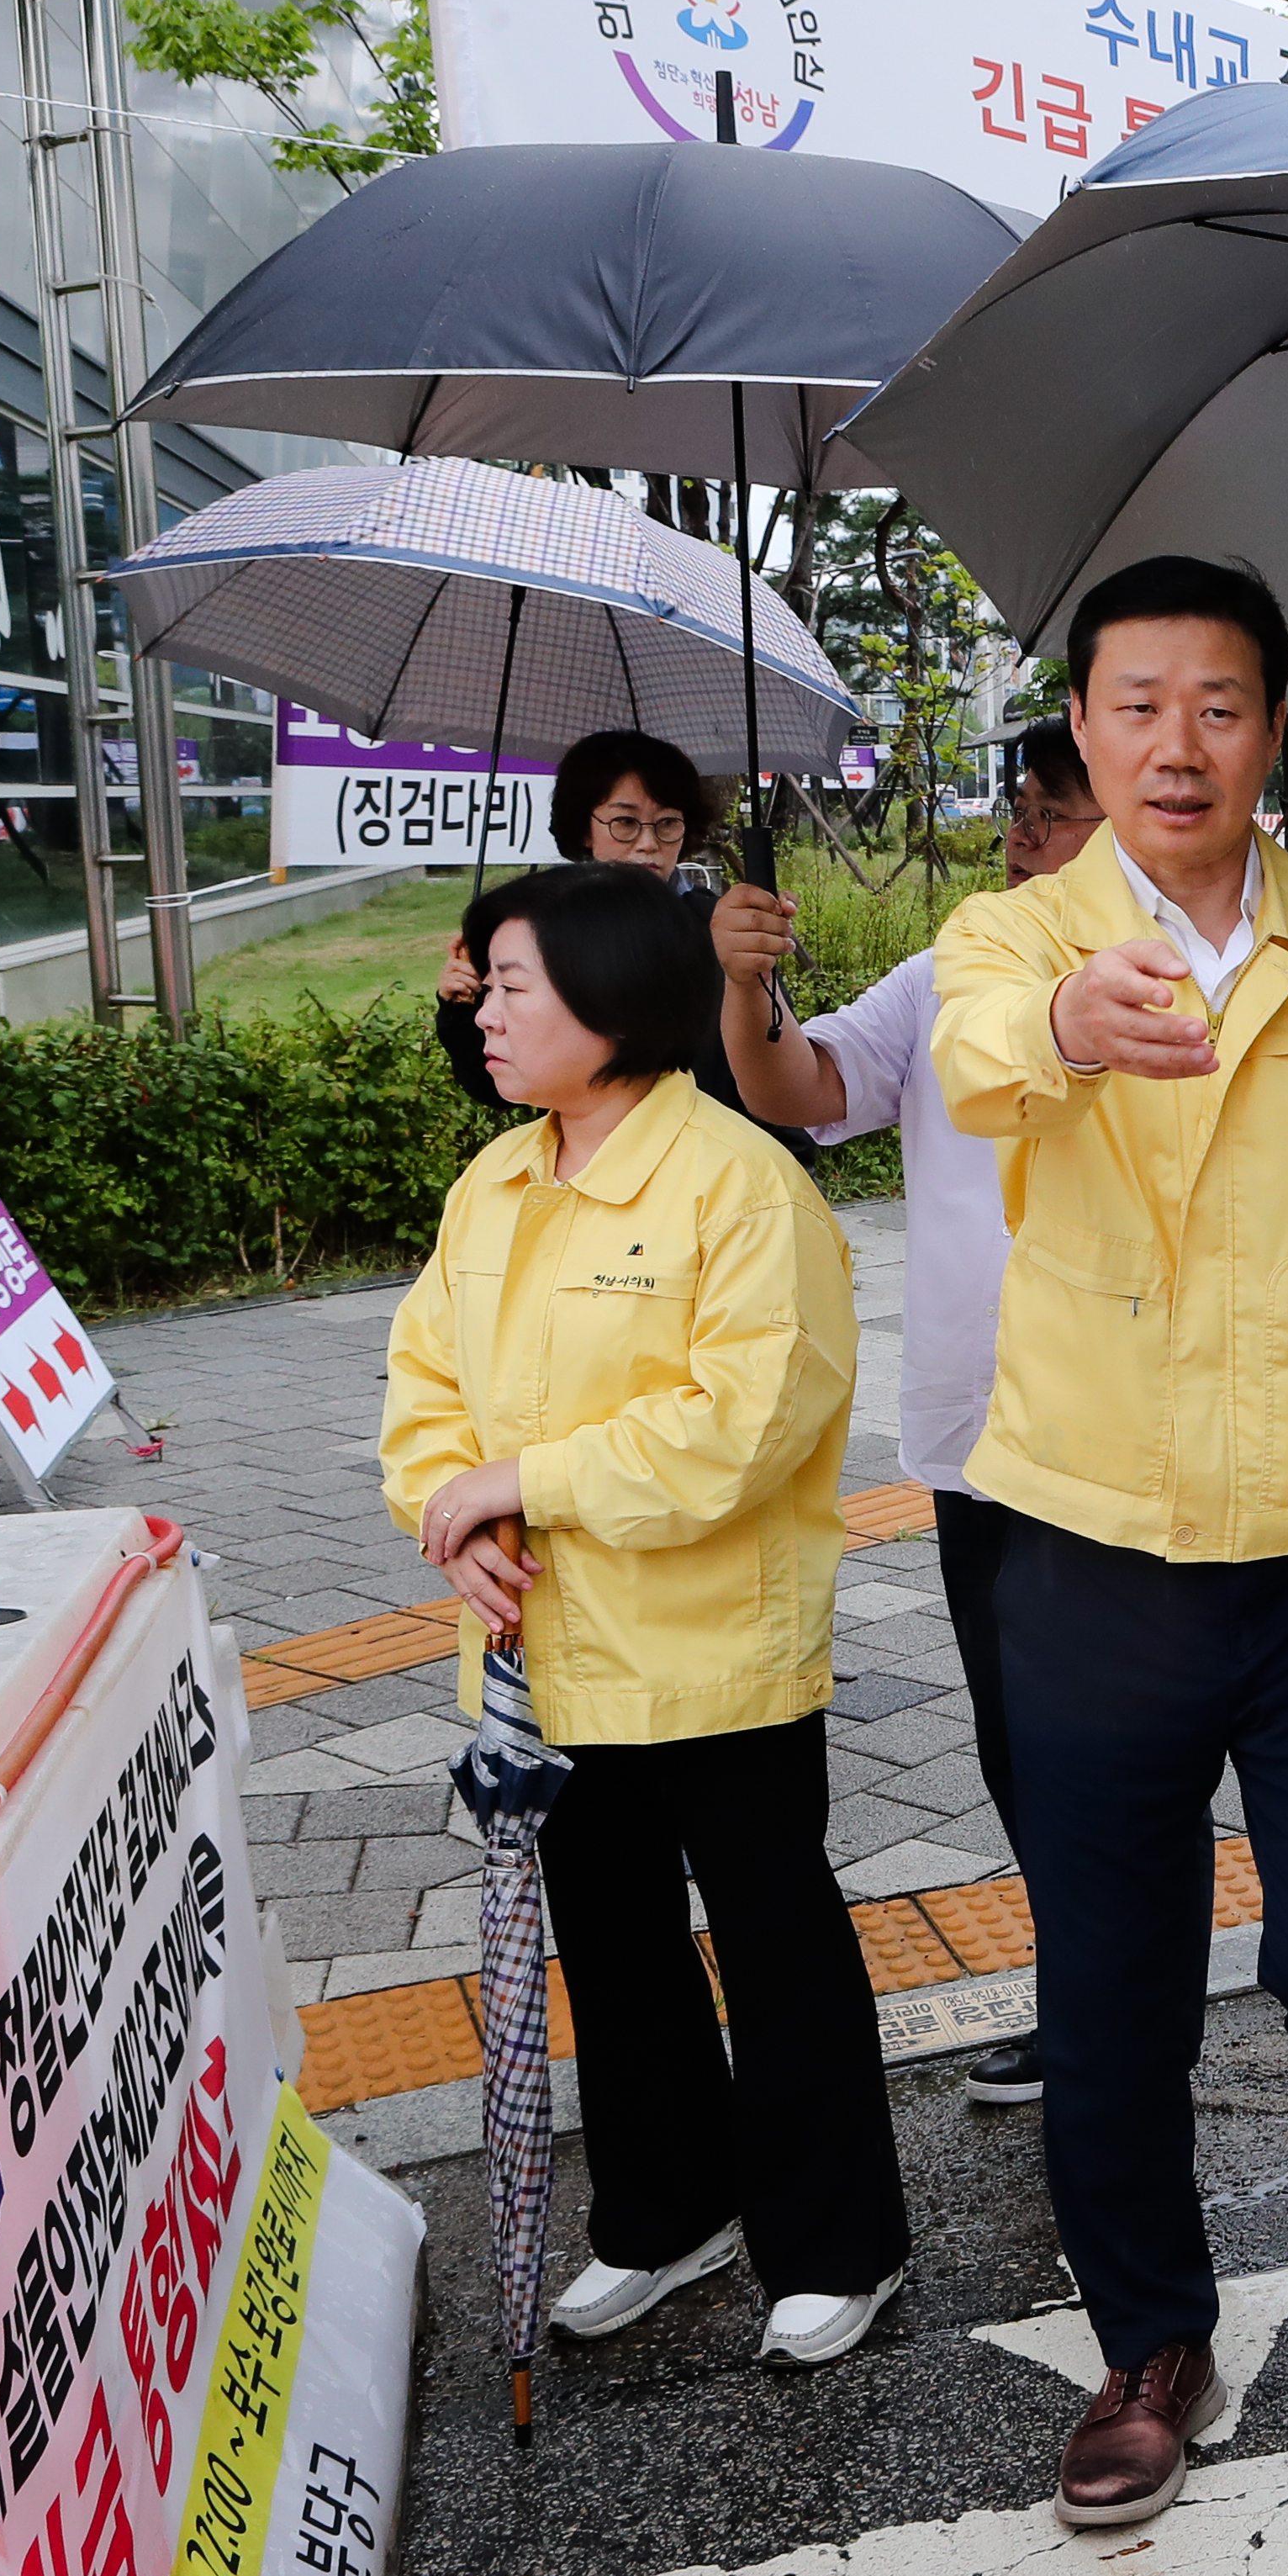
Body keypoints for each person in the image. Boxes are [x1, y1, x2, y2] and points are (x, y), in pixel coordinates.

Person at [929, 555, 1288, 2532]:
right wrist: (1081, 1028)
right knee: (1110, 2003)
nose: (1178, 741)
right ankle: (1151, 2334)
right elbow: (980, 1055)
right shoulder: (1015, 935)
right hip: (1088, 1550)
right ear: (1082, 727)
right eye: (1138, 701)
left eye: (1222, 704)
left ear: (1276, 731)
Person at [377, 861, 903, 2366]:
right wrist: (451, 1516)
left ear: (611, 999)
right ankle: (667, 2212)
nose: (481, 1008)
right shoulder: (494, 1182)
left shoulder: (742, 1183)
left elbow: (741, 1424)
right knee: (608, 1943)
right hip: (539, 1650)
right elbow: (424, 1390)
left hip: (714, 1649)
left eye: (514, 984)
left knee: (773, 1938)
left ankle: (835, 2240)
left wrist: (517, 1476)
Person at [709, 717, 1101, 2107]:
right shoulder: (949, 975)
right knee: (1013, 1734)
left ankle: (1125, 1999)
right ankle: (1083, 1994)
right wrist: (746, 984)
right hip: (974, 1433)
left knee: (1115, 1746)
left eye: (1054, 813)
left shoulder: (1183, 988)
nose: (1020, 835)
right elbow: (797, 1086)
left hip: (1123, 1450)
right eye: (1022, 810)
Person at [436, 728, 800, 1151]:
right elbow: (491, 1083)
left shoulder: (721, 931)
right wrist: (462, 1007)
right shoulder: (534, 933)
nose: (648, 844)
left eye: (668, 824)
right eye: (625, 822)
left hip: (713, 1174)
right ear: (583, 827)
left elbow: (776, 1075)